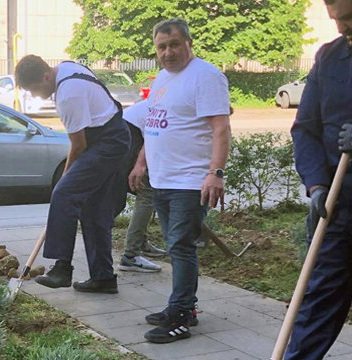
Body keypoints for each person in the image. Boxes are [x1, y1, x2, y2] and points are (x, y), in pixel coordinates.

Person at [287, 0, 352, 358]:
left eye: (348, 17)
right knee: (314, 308)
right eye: (334, 17)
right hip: (333, 211)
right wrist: (316, 185)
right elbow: (305, 129)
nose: (339, 27)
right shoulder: (330, 57)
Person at [128, 18, 231, 344]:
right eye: (161, 46)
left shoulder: (206, 76)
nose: (168, 52)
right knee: (178, 245)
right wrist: (141, 162)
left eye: (174, 44)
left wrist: (215, 173)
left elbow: (221, 129)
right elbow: (155, 124)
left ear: (188, 44)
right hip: (162, 179)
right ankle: (185, 305)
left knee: (181, 246)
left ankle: (181, 315)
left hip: (190, 180)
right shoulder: (162, 77)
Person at [15, 55, 130, 294]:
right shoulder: (66, 67)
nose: (35, 97)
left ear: (46, 76)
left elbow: (79, 145)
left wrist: (66, 177)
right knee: (93, 210)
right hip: (114, 135)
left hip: (108, 143)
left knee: (64, 193)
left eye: (35, 90)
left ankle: (62, 268)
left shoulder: (68, 95)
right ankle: (103, 277)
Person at [116, 100, 165, 273]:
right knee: (147, 192)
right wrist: (140, 164)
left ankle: (141, 244)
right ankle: (131, 256)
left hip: (128, 127)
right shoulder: (185, 108)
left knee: (147, 190)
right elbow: (153, 138)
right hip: (133, 132)